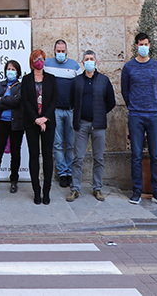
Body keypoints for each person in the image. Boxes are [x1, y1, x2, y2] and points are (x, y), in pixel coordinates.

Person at [122, 32, 157, 206]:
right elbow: (125, 90)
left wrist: (155, 104)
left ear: (150, 45)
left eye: (147, 44)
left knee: (155, 155)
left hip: (154, 115)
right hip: (135, 115)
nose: (144, 47)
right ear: (136, 46)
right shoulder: (128, 68)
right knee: (136, 155)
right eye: (141, 44)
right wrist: (133, 105)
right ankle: (136, 191)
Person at [66, 50, 115, 202]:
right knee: (78, 158)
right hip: (81, 124)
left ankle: (97, 188)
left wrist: (100, 112)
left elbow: (111, 101)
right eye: (86, 59)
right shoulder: (77, 81)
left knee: (98, 158)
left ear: (96, 61)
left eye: (91, 59)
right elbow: (71, 100)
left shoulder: (104, 80)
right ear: (82, 62)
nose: (89, 61)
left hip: (99, 125)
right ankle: (75, 189)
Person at [20, 49, 57, 205]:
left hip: (48, 123)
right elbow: (25, 101)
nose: (39, 61)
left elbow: (54, 100)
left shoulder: (51, 79)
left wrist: (44, 118)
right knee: (34, 156)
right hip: (31, 123)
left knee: (47, 156)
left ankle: (47, 191)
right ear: (31, 61)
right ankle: (36, 190)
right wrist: (36, 119)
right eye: (36, 59)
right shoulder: (26, 80)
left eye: (41, 58)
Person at [45, 40, 80, 188]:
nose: (60, 53)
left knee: (71, 144)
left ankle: (70, 173)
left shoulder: (74, 66)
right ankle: (62, 174)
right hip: (55, 111)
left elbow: (80, 87)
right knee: (58, 144)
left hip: (71, 110)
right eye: (58, 51)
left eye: (63, 51)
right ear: (54, 51)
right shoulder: (47, 64)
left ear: (67, 51)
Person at [0, 59, 23, 194]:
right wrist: (7, 101)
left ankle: (14, 180)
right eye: (8, 69)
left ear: (18, 72)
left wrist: (2, 100)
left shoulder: (20, 86)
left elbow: (18, 101)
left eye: (13, 69)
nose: (10, 71)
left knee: (15, 152)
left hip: (16, 123)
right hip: (2, 123)